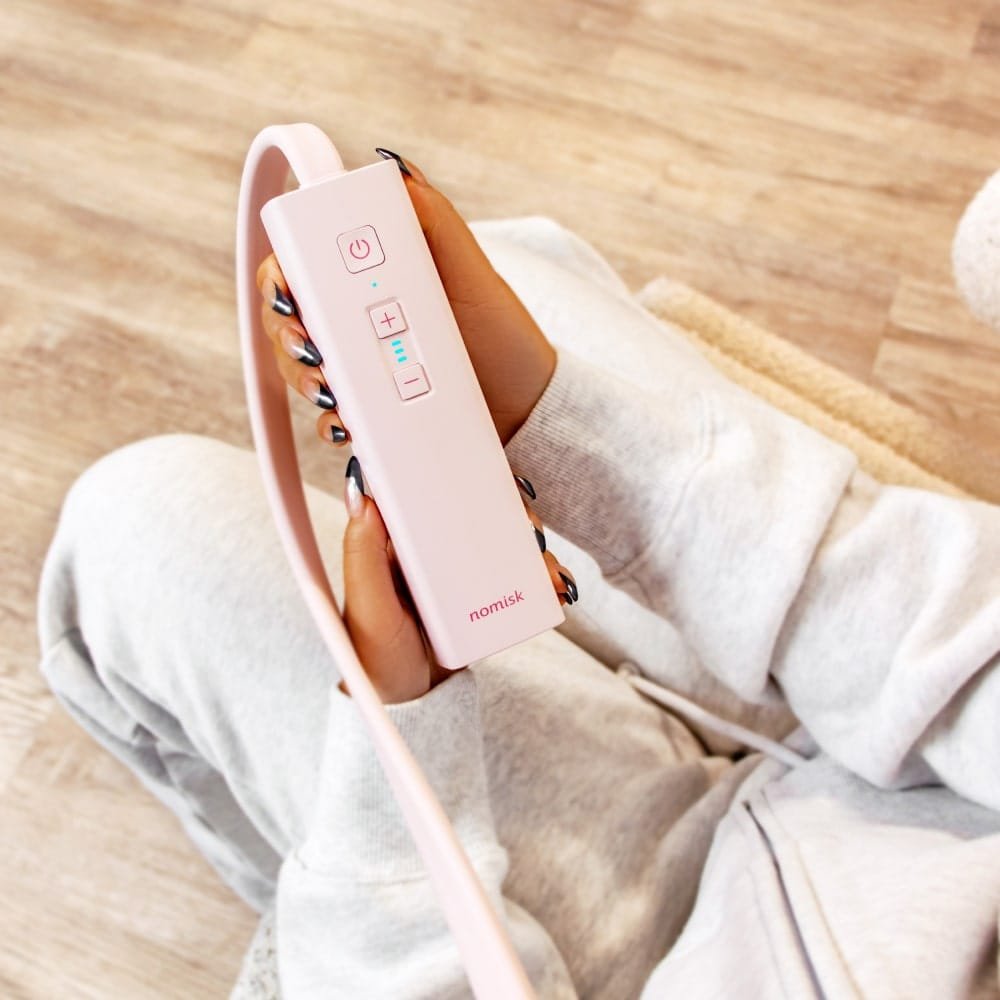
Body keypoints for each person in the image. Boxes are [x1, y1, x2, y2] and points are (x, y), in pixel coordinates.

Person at [37, 149, 1000, 999]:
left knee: (137, 519)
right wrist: (554, 416)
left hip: (640, 964)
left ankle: (304, 890)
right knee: (493, 269)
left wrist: (391, 773)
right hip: (890, 768)